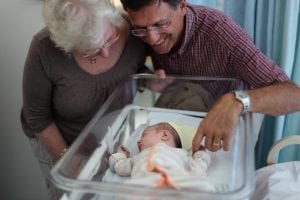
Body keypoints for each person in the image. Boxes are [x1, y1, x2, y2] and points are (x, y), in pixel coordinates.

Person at [119, 0, 300, 153]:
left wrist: (238, 101)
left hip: (222, 127)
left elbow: (293, 95)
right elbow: (136, 67)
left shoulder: (222, 36)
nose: (152, 38)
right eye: (142, 29)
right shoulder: (138, 30)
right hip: (173, 118)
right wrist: (148, 78)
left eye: (161, 25)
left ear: (182, 6)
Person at [21, 0, 147, 199]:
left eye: (110, 39)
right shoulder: (43, 48)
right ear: (68, 45)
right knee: (72, 193)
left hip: (111, 134)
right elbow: (37, 117)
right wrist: (67, 160)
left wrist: (150, 80)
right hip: (59, 141)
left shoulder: (133, 26)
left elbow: (134, 69)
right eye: (91, 50)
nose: (105, 52)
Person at [109, 122, 216, 191]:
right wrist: (121, 156)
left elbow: (197, 167)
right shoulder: (137, 157)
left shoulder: (181, 154)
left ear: (164, 135)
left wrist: (200, 155)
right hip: (145, 184)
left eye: (143, 136)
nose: (138, 141)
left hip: (175, 182)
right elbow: (121, 167)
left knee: (201, 185)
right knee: (128, 189)